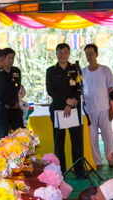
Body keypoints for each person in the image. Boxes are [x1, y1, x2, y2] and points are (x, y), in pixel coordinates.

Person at [46, 43, 85, 178]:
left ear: (69, 53)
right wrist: (65, 101)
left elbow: (79, 88)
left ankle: (79, 171)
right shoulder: (51, 71)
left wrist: (71, 103)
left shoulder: (76, 69)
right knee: (59, 141)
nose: (62, 54)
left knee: (77, 141)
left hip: (73, 108)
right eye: (60, 52)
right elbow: (50, 91)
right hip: (58, 109)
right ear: (56, 54)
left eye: (65, 52)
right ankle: (60, 171)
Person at [82, 43, 113, 170]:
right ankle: (97, 162)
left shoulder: (105, 70)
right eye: (87, 54)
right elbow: (81, 91)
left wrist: (112, 108)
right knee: (92, 137)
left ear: (96, 54)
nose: (89, 56)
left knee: (108, 136)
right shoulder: (82, 72)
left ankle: (111, 161)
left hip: (104, 108)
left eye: (91, 53)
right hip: (89, 109)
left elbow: (111, 90)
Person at [2, 48, 24, 132]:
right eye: (8, 58)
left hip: (15, 107)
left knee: (20, 132)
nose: (10, 60)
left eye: (12, 58)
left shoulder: (16, 71)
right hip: (3, 108)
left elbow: (17, 88)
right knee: (3, 134)